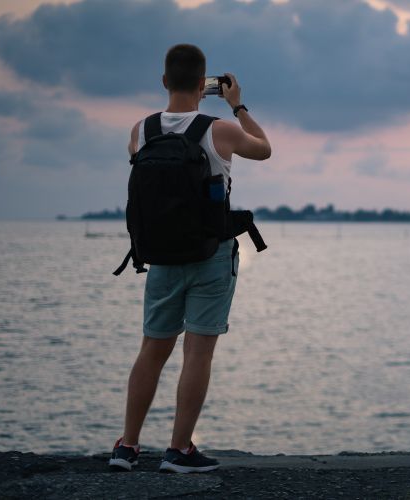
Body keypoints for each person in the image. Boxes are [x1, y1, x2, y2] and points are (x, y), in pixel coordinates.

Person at [109, 43, 271, 473]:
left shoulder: (141, 130)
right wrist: (238, 106)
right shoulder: (220, 129)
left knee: (152, 351)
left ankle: (127, 447)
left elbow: (141, 171)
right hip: (210, 254)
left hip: (160, 255)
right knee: (198, 353)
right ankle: (179, 450)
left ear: (165, 81)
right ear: (204, 85)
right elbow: (264, 148)